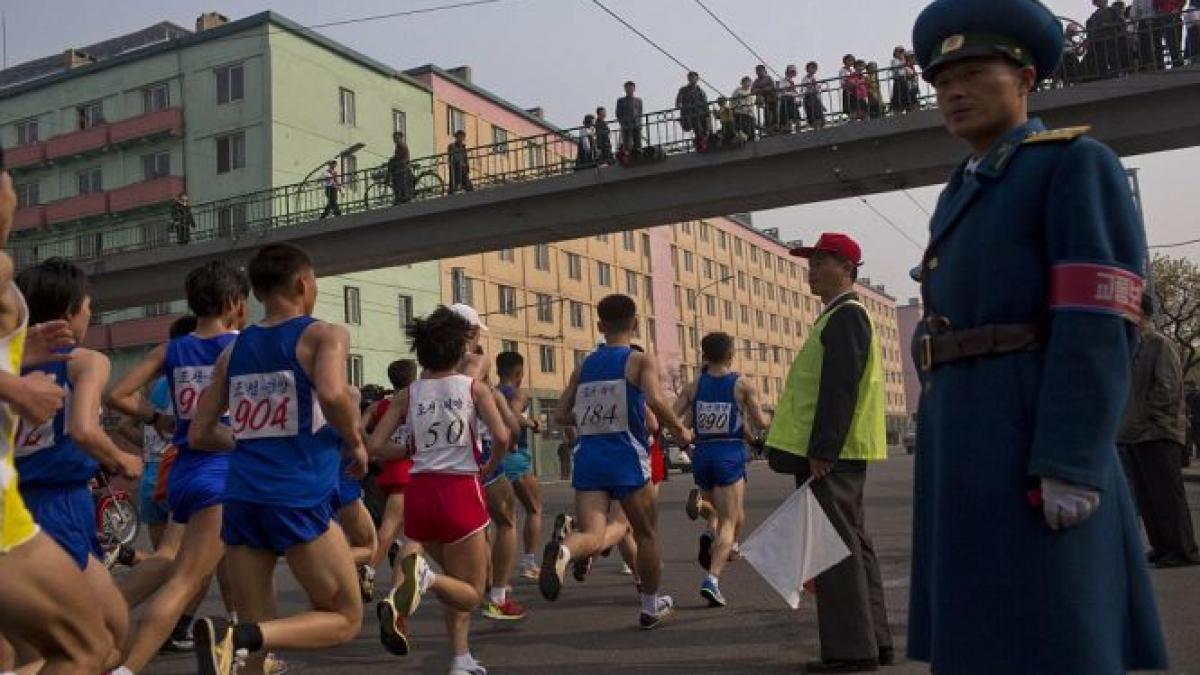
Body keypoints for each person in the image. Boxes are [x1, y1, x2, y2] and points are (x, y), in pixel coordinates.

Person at [907, 1, 1169, 672]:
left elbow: (1098, 316)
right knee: (984, 633)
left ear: (1024, 78)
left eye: (973, 71)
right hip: (964, 433)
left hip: (1028, 432)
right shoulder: (962, 185)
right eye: (941, 81)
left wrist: (1071, 457)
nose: (953, 92)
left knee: (1057, 632)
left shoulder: (1073, 163)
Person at [187, 243, 366, 675]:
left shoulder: (233, 352)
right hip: (297, 496)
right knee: (345, 618)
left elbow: (199, 432)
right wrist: (354, 439)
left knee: (259, 638)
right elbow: (330, 391)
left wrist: (250, 442)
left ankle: (243, 638)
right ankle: (240, 637)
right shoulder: (325, 334)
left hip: (243, 497)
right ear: (304, 283)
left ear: (259, 292)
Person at [0, 167, 117, 674]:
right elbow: (85, 431)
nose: (12, 197)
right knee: (90, 645)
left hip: (26, 500)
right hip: (45, 505)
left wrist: (19, 359)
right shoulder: (87, 362)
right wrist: (17, 386)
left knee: (89, 641)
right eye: (7, 186)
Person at [106, 260, 249, 673]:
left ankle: (248, 647)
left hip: (181, 467)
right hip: (222, 468)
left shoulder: (172, 349)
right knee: (185, 579)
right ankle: (125, 666)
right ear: (231, 302)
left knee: (188, 562)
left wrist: (157, 418)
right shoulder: (241, 345)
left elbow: (117, 394)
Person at [766, 233, 892, 672]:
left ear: (849, 269)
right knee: (853, 544)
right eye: (811, 261)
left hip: (831, 455)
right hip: (840, 453)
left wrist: (822, 449)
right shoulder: (838, 316)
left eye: (823, 261)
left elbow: (840, 387)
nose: (812, 268)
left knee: (835, 551)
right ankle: (875, 642)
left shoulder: (846, 316)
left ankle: (851, 652)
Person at [13, 259, 143, 668]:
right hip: (59, 507)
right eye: (89, 307)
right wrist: (122, 458)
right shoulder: (84, 361)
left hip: (17, 501)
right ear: (70, 313)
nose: (90, 315)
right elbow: (85, 430)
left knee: (51, 643)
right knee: (103, 640)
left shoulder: (7, 365)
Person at [368, 306, 511, 675]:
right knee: (472, 591)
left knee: (454, 580)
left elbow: (376, 446)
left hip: (419, 493)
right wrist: (489, 467)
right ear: (458, 352)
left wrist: (411, 450)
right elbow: (502, 435)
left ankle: (460, 657)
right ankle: (424, 579)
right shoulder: (473, 388)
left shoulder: (406, 395)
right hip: (461, 489)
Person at [539, 294, 692, 629]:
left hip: (590, 459)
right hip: (627, 459)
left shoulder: (584, 366)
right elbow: (655, 400)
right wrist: (681, 429)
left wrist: (593, 420)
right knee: (646, 533)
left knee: (594, 534)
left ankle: (564, 552)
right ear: (635, 324)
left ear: (599, 326)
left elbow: (562, 414)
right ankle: (651, 606)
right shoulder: (638, 361)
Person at [673, 332, 770, 608]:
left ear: (704, 355)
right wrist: (772, 419)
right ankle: (712, 580)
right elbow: (761, 422)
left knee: (720, 512)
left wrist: (683, 437)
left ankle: (705, 520)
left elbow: (673, 416)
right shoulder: (742, 385)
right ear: (730, 355)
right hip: (729, 453)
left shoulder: (693, 386)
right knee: (730, 520)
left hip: (702, 454)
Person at [1118, 294, 1199, 567]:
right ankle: (1163, 546)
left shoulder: (1159, 345)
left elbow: (1166, 388)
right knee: (1148, 496)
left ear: (1141, 313)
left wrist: (1144, 419)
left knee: (1167, 496)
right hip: (1135, 434)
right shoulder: (1132, 348)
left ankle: (1183, 549)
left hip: (1158, 432)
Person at [366, 359, 419, 598]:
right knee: (392, 530)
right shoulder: (414, 403)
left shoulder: (381, 406)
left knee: (402, 535)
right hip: (406, 472)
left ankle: (396, 594)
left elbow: (359, 424)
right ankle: (368, 571)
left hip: (386, 471)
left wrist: (368, 447)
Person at [496, 351, 546, 582]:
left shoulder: (491, 393)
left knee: (500, 520)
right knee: (534, 509)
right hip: (515, 456)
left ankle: (491, 573)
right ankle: (528, 563)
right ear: (519, 373)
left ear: (497, 371)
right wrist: (533, 423)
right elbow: (514, 416)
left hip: (493, 456)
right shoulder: (518, 393)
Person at [675, 71, 711, 150]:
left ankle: (705, 142)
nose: (692, 79)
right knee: (698, 129)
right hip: (690, 115)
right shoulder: (683, 90)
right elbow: (678, 102)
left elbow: (705, 104)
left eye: (694, 77)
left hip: (701, 113)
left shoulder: (701, 91)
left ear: (697, 79)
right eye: (690, 78)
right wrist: (680, 105)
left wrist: (707, 113)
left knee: (705, 130)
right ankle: (700, 145)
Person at [615, 81, 643, 153]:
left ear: (634, 89)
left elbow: (640, 112)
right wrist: (623, 123)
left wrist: (640, 124)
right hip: (626, 126)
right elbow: (618, 113)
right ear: (625, 89)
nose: (629, 90)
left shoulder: (638, 100)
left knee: (638, 144)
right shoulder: (620, 101)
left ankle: (638, 156)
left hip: (636, 125)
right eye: (627, 88)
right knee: (627, 145)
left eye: (631, 88)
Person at [751, 65, 779, 132]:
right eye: (757, 71)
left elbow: (773, 87)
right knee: (767, 114)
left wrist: (765, 89)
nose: (759, 72)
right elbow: (752, 90)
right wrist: (761, 90)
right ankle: (768, 127)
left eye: (760, 71)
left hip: (773, 98)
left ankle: (776, 126)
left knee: (775, 113)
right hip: (765, 100)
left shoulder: (769, 78)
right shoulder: (756, 81)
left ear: (764, 71)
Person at [388, 132, 413, 204]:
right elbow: (396, 157)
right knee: (396, 180)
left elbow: (405, 158)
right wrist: (392, 160)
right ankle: (399, 197)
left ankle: (403, 197)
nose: (395, 140)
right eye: (394, 138)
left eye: (397, 138)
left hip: (403, 167)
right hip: (400, 167)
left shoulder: (402, 146)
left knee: (400, 182)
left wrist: (396, 162)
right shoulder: (398, 147)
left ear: (401, 138)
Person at [802, 62, 827, 130]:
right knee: (814, 115)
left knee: (820, 116)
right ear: (807, 69)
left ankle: (819, 128)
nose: (813, 69)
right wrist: (816, 87)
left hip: (815, 98)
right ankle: (816, 129)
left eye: (815, 68)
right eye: (812, 67)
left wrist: (822, 104)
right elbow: (808, 88)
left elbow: (816, 90)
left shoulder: (815, 78)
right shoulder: (805, 78)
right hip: (809, 97)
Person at [778, 65, 802, 132]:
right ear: (787, 72)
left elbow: (795, 93)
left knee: (797, 119)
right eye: (790, 72)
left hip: (793, 101)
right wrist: (789, 89)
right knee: (788, 119)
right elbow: (782, 91)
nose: (791, 74)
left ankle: (798, 132)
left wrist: (798, 100)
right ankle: (789, 132)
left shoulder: (792, 82)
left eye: (793, 72)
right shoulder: (783, 81)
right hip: (786, 101)